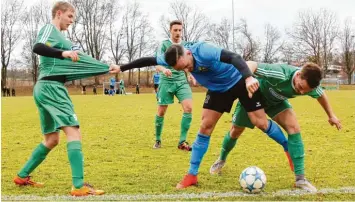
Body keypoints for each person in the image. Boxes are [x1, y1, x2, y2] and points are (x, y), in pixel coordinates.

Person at [109, 41, 291, 190]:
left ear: (188, 53)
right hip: (218, 90)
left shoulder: (204, 50)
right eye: (182, 69)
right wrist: (122, 67)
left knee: (259, 122)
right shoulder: (171, 58)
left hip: (238, 80)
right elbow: (147, 60)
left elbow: (235, 57)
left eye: (187, 65)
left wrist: (248, 77)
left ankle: (287, 147)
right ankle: (192, 175)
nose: (187, 69)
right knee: (205, 126)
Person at [13, 1, 109, 196]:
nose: (72, 21)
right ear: (59, 13)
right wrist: (63, 52)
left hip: (44, 87)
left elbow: (79, 60)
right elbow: (38, 47)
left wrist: (106, 67)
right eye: (70, 16)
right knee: (73, 131)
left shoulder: (63, 38)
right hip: (52, 87)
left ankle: (22, 175)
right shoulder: (50, 29)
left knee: (51, 139)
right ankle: (79, 186)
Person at [209, 61, 342, 192]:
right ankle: (221, 159)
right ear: (298, 75)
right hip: (254, 97)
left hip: (276, 102)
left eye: (305, 91)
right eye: (300, 87)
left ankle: (300, 179)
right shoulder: (280, 73)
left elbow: (321, 95)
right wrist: (248, 79)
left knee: (294, 128)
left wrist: (331, 115)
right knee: (235, 131)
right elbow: (251, 64)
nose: (301, 92)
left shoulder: (308, 85)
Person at [151, 20, 195, 151]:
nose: (178, 33)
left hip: (181, 81)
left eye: (180, 30)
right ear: (170, 30)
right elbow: (157, 64)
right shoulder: (164, 45)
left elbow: (188, 64)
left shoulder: (185, 46)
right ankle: (158, 139)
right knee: (161, 111)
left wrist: (191, 74)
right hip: (166, 82)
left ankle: (182, 141)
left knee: (188, 108)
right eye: (175, 30)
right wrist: (164, 70)